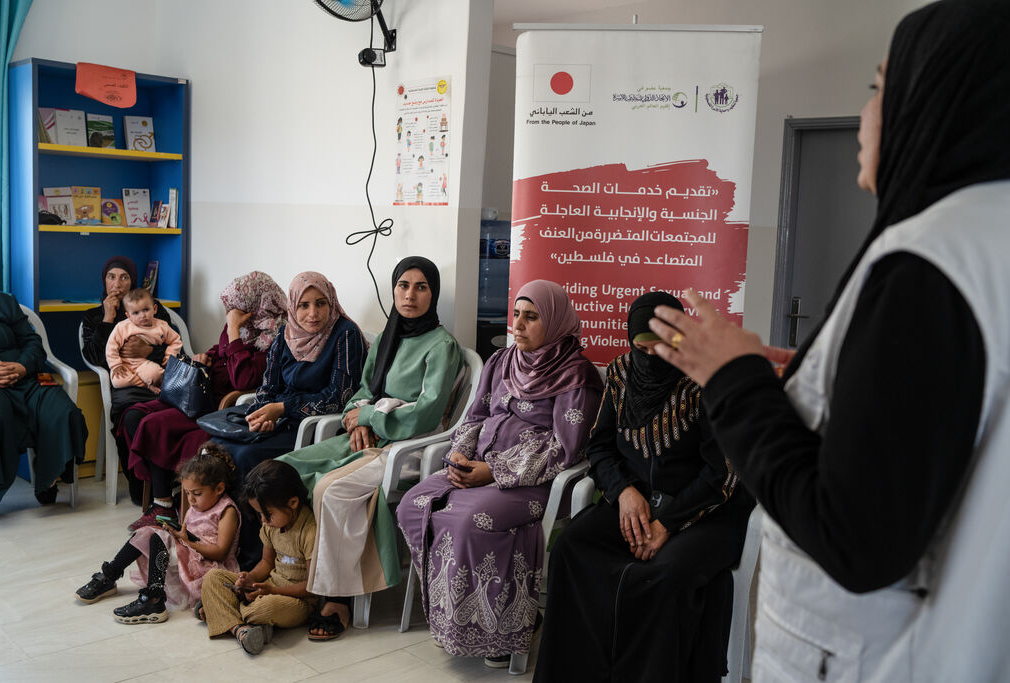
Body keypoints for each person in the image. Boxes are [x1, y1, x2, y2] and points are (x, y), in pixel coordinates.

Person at [646, 2, 1010, 680]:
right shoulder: (990, 239)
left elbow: (855, 535)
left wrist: (730, 379)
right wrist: (814, 383)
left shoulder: (929, 260)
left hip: (864, 652)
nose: (867, 114)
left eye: (877, 87)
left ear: (938, 94)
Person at [533, 293, 755, 682]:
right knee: (572, 546)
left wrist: (666, 523)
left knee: (663, 577)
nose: (652, 358)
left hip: (706, 513)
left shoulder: (706, 378)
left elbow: (721, 472)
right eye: (642, 349)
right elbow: (599, 447)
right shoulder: (621, 374)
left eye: (664, 348)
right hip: (636, 503)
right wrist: (623, 493)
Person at [396, 280, 602, 668]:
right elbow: (475, 416)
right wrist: (460, 454)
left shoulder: (577, 376)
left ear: (555, 321)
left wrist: (494, 471)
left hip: (529, 482)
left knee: (471, 522)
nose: (519, 325)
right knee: (413, 505)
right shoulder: (502, 361)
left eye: (531, 317)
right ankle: (450, 617)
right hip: (476, 468)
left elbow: (564, 446)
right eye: (516, 315)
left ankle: (504, 628)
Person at [277, 256, 463, 641]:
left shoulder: (442, 345)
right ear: (393, 289)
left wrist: (369, 420)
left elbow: (427, 414)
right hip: (367, 435)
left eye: (421, 287)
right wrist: (353, 416)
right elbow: (362, 392)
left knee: (332, 490)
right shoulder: (386, 338)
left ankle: (335, 598)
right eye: (403, 286)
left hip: (407, 447)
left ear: (434, 293)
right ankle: (286, 573)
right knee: (282, 471)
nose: (409, 295)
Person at [215, 272, 366, 570]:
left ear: (331, 302)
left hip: (313, 428)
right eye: (304, 305)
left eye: (321, 303)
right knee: (218, 446)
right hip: (281, 421)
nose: (313, 313)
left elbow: (339, 396)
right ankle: (222, 546)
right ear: (292, 308)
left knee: (246, 458)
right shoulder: (286, 334)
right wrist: (263, 414)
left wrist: (283, 409)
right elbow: (267, 387)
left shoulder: (345, 334)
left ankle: (254, 558)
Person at [123, 271, 285, 531]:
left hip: (220, 404)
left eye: (237, 305)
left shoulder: (274, 337)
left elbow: (244, 380)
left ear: (257, 305)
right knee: (134, 415)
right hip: (198, 390)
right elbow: (219, 352)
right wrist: (204, 356)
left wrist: (233, 329)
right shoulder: (239, 325)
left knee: (152, 425)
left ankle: (163, 506)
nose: (230, 311)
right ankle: (166, 496)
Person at [74, 443, 241, 623]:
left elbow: (221, 553)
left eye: (197, 493)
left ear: (219, 489)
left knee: (158, 538)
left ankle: (154, 600)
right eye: (187, 493)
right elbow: (188, 532)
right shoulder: (198, 505)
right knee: (146, 532)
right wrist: (176, 532)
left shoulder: (226, 511)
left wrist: (187, 541)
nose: (191, 499)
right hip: (190, 555)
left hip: (209, 567)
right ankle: (110, 575)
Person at [200, 460, 318, 656]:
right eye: (259, 514)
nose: (263, 520)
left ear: (293, 502)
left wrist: (273, 591)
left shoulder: (309, 532)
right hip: (270, 585)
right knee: (213, 578)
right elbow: (266, 563)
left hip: (300, 600)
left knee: (264, 608)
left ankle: (221, 612)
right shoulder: (270, 526)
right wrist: (251, 578)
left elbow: (311, 586)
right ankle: (242, 627)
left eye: (268, 514)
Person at [81, 256, 174, 505]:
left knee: (170, 415)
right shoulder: (92, 317)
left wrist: (143, 350)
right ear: (104, 281)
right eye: (111, 277)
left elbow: (170, 346)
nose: (117, 284)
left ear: (133, 281)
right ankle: (141, 482)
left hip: (157, 380)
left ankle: (165, 483)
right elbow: (94, 358)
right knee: (132, 418)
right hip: (127, 386)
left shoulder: (152, 308)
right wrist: (108, 319)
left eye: (124, 277)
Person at [0, 291, 87, 515]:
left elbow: (32, 342)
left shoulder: (3, 301)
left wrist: (22, 367)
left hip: (25, 377)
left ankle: (48, 474)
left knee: (65, 412)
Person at [105, 288, 182, 394]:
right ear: (128, 315)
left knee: (156, 374)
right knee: (117, 382)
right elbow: (111, 346)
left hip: (145, 363)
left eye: (146, 310)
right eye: (136, 313)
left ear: (154, 309)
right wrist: (115, 365)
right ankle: (147, 385)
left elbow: (176, 341)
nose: (142, 315)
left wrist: (169, 357)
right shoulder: (122, 327)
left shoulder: (162, 326)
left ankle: (149, 382)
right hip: (125, 364)